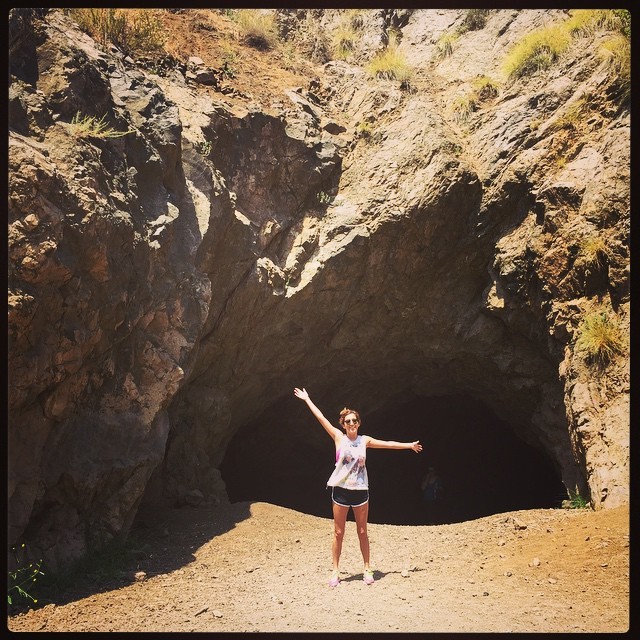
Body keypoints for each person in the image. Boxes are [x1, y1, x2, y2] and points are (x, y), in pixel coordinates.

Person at [294, 387, 423, 587]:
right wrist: (307, 399)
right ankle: (335, 571)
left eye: (355, 421)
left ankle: (367, 568)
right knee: (338, 532)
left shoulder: (365, 440)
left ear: (359, 423)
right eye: (348, 421)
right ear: (343, 424)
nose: (352, 424)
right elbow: (321, 419)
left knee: (362, 531)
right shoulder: (339, 438)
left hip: (361, 491)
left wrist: (408, 445)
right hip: (341, 492)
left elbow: (387, 444)